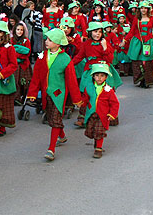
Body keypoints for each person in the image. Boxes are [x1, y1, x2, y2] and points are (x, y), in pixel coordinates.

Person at [27, 28, 82, 161]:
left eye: (50, 40)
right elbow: (36, 77)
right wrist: (32, 93)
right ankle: (62, 136)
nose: (46, 42)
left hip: (59, 94)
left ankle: (51, 149)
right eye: (47, 39)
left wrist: (76, 99)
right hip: (47, 94)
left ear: (58, 43)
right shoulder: (42, 56)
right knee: (52, 118)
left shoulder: (65, 59)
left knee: (56, 119)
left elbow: (72, 81)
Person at [81, 63, 120, 159]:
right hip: (91, 113)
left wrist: (112, 114)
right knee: (90, 131)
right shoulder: (89, 87)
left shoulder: (108, 90)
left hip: (102, 115)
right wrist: (81, 105)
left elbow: (115, 103)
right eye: (97, 75)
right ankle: (97, 142)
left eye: (102, 76)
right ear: (93, 76)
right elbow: (85, 99)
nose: (99, 78)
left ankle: (98, 148)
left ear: (106, 77)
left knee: (99, 132)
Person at [122, 1, 153, 89]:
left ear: (148, 9)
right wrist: (125, 40)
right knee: (138, 62)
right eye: (142, 8)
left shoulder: (152, 19)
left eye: (145, 8)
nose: (143, 10)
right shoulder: (136, 19)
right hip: (138, 43)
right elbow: (132, 31)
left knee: (146, 63)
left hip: (148, 42)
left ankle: (147, 81)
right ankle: (141, 80)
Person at [11, 21, 32, 106]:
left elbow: (27, 52)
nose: (19, 31)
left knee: (24, 82)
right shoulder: (12, 40)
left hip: (24, 65)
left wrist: (17, 52)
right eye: (18, 29)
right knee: (15, 81)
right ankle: (16, 98)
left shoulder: (26, 40)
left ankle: (24, 98)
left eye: (21, 30)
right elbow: (11, 52)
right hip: (15, 65)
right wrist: (20, 52)